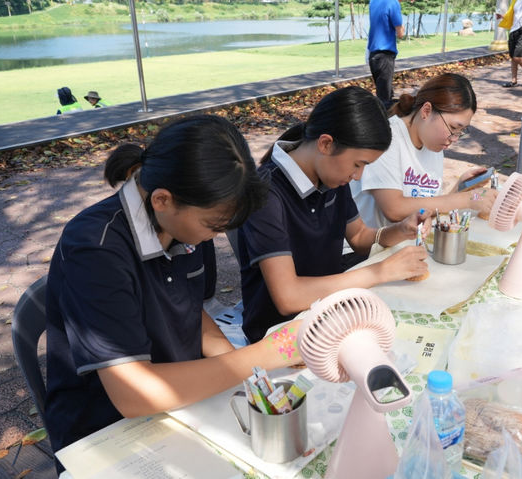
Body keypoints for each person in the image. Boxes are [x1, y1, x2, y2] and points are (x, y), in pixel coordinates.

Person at [44, 115, 303, 473]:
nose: (215, 237)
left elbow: (189, 310)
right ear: (163, 199)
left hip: (181, 403)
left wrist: (252, 374)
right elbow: (134, 394)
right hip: (106, 432)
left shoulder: (182, 226)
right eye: (212, 226)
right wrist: (267, 353)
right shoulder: (95, 249)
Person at [238, 86, 430, 343]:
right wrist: (379, 272)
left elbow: (360, 236)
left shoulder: (330, 177)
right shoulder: (267, 194)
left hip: (329, 314)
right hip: (283, 335)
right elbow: (288, 297)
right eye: (357, 164)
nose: (358, 176)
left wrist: (400, 230)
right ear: (326, 144)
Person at [350, 73, 497, 232]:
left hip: (406, 244)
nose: (454, 138)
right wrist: (469, 198)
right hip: (368, 251)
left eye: (461, 131)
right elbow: (394, 209)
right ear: (426, 111)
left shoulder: (434, 145)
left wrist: (460, 188)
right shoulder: (388, 138)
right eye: (453, 128)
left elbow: (429, 206)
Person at [368, 0, 405, 108]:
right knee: (385, 100)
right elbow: (400, 33)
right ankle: (384, 123)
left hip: (374, 56)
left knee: (383, 93)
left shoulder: (373, 1)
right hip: (385, 56)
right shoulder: (393, 3)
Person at [497, 0, 522, 87]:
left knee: (517, 56)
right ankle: (514, 81)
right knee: (512, 56)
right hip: (513, 30)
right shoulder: (515, 1)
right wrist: (502, 16)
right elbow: (513, 15)